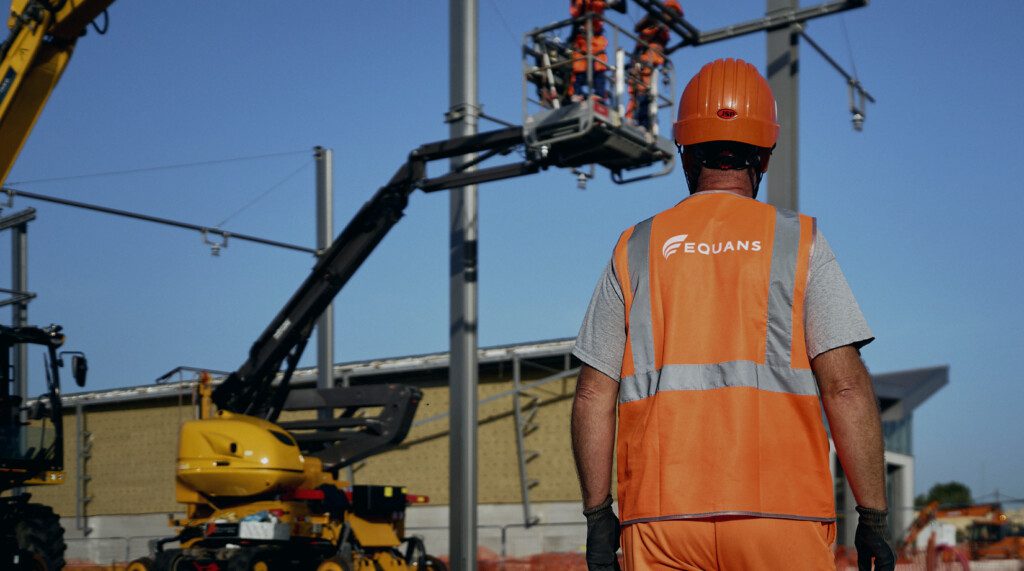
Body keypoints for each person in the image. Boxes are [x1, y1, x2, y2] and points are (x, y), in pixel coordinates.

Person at [570, 58, 897, 571]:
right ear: (763, 156)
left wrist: (597, 517)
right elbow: (846, 388)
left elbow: (593, 393)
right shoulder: (799, 241)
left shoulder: (635, 248)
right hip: (782, 516)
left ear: (685, 152)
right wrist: (873, 516)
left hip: (660, 520)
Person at [627, 0, 681, 128]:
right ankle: (638, 121)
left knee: (648, 95)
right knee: (641, 94)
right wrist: (652, 16)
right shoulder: (653, 24)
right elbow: (638, 28)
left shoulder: (664, 32)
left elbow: (662, 49)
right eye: (673, 13)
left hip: (653, 67)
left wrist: (680, 46)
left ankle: (645, 123)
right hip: (643, 65)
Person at [569, 0, 625, 101]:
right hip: (582, 40)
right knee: (579, 69)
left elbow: (621, 6)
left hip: (594, 40)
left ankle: (598, 94)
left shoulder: (598, 3)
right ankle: (578, 93)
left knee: (598, 68)